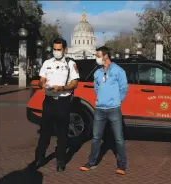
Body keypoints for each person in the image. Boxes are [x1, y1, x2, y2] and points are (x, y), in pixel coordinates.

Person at [79, 46, 128, 175]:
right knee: (96, 138)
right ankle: (91, 162)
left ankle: (122, 165)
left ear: (106, 56)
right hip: (99, 109)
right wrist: (101, 98)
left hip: (114, 109)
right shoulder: (97, 72)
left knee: (118, 138)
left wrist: (116, 100)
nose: (97, 58)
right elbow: (96, 88)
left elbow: (124, 89)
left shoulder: (118, 71)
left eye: (98, 55)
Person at [35, 38, 79, 172]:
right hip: (48, 101)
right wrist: (43, 84)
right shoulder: (47, 63)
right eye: (55, 49)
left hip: (63, 102)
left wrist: (63, 88)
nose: (56, 51)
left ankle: (60, 161)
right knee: (45, 132)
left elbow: (74, 83)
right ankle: (39, 158)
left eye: (59, 49)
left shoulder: (71, 64)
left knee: (62, 133)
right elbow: (40, 80)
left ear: (64, 50)